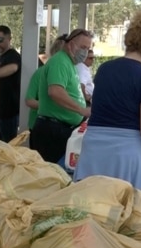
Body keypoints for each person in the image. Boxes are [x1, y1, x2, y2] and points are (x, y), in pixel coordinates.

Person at [73, 9, 141, 191]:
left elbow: (97, 108)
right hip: (125, 154)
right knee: (122, 210)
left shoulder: (104, 69)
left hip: (93, 148)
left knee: (89, 207)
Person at [29, 28, 93, 163]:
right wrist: (81, 110)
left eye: (87, 48)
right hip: (52, 131)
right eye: (83, 47)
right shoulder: (60, 61)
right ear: (70, 44)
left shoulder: (70, 63)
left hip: (61, 129)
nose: (85, 52)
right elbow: (55, 91)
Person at [0, 25, 22, 142]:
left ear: (9, 39)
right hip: (0, 110)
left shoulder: (13, 55)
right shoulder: (0, 58)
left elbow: (13, 68)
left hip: (10, 110)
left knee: (9, 145)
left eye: (0, 40)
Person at [25, 38, 65, 130]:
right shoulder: (40, 73)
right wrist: (51, 107)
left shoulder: (67, 72)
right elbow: (29, 100)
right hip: (40, 126)